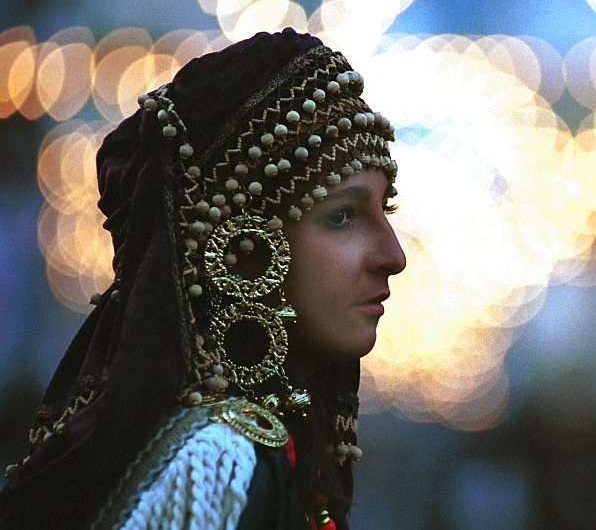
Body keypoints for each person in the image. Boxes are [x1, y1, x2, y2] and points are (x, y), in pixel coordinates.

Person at [0, 28, 406, 529]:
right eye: (341, 216)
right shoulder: (216, 468)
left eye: (385, 210)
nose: (394, 256)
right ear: (240, 247)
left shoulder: (266, 448)